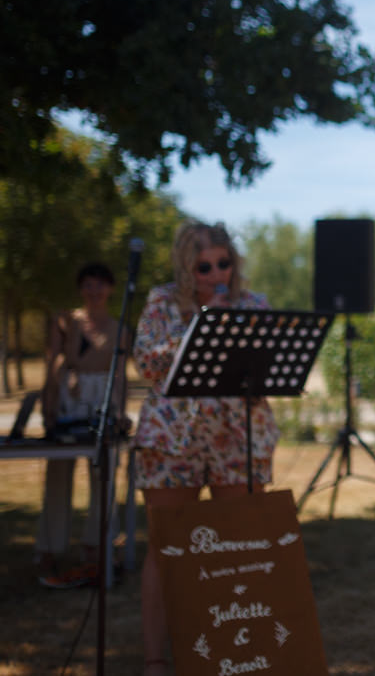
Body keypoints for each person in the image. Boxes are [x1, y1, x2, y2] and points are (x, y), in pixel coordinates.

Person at [132, 221, 277, 676]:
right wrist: (202, 321)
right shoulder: (162, 303)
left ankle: (235, 656)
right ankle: (157, 661)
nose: (218, 274)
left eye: (225, 263)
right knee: (166, 549)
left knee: (239, 548)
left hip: (237, 438)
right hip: (173, 441)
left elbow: (271, 371)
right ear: (186, 269)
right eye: (205, 267)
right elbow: (148, 365)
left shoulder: (254, 305)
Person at [35, 262, 128, 589]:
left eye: (101, 284)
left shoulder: (118, 327)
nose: (95, 291)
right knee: (58, 474)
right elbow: (54, 362)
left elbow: (119, 374)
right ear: (81, 289)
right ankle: (50, 548)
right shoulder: (67, 321)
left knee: (103, 476)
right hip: (68, 399)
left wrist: (120, 411)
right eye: (88, 285)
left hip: (102, 401)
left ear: (111, 289)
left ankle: (97, 545)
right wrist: (49, 406)